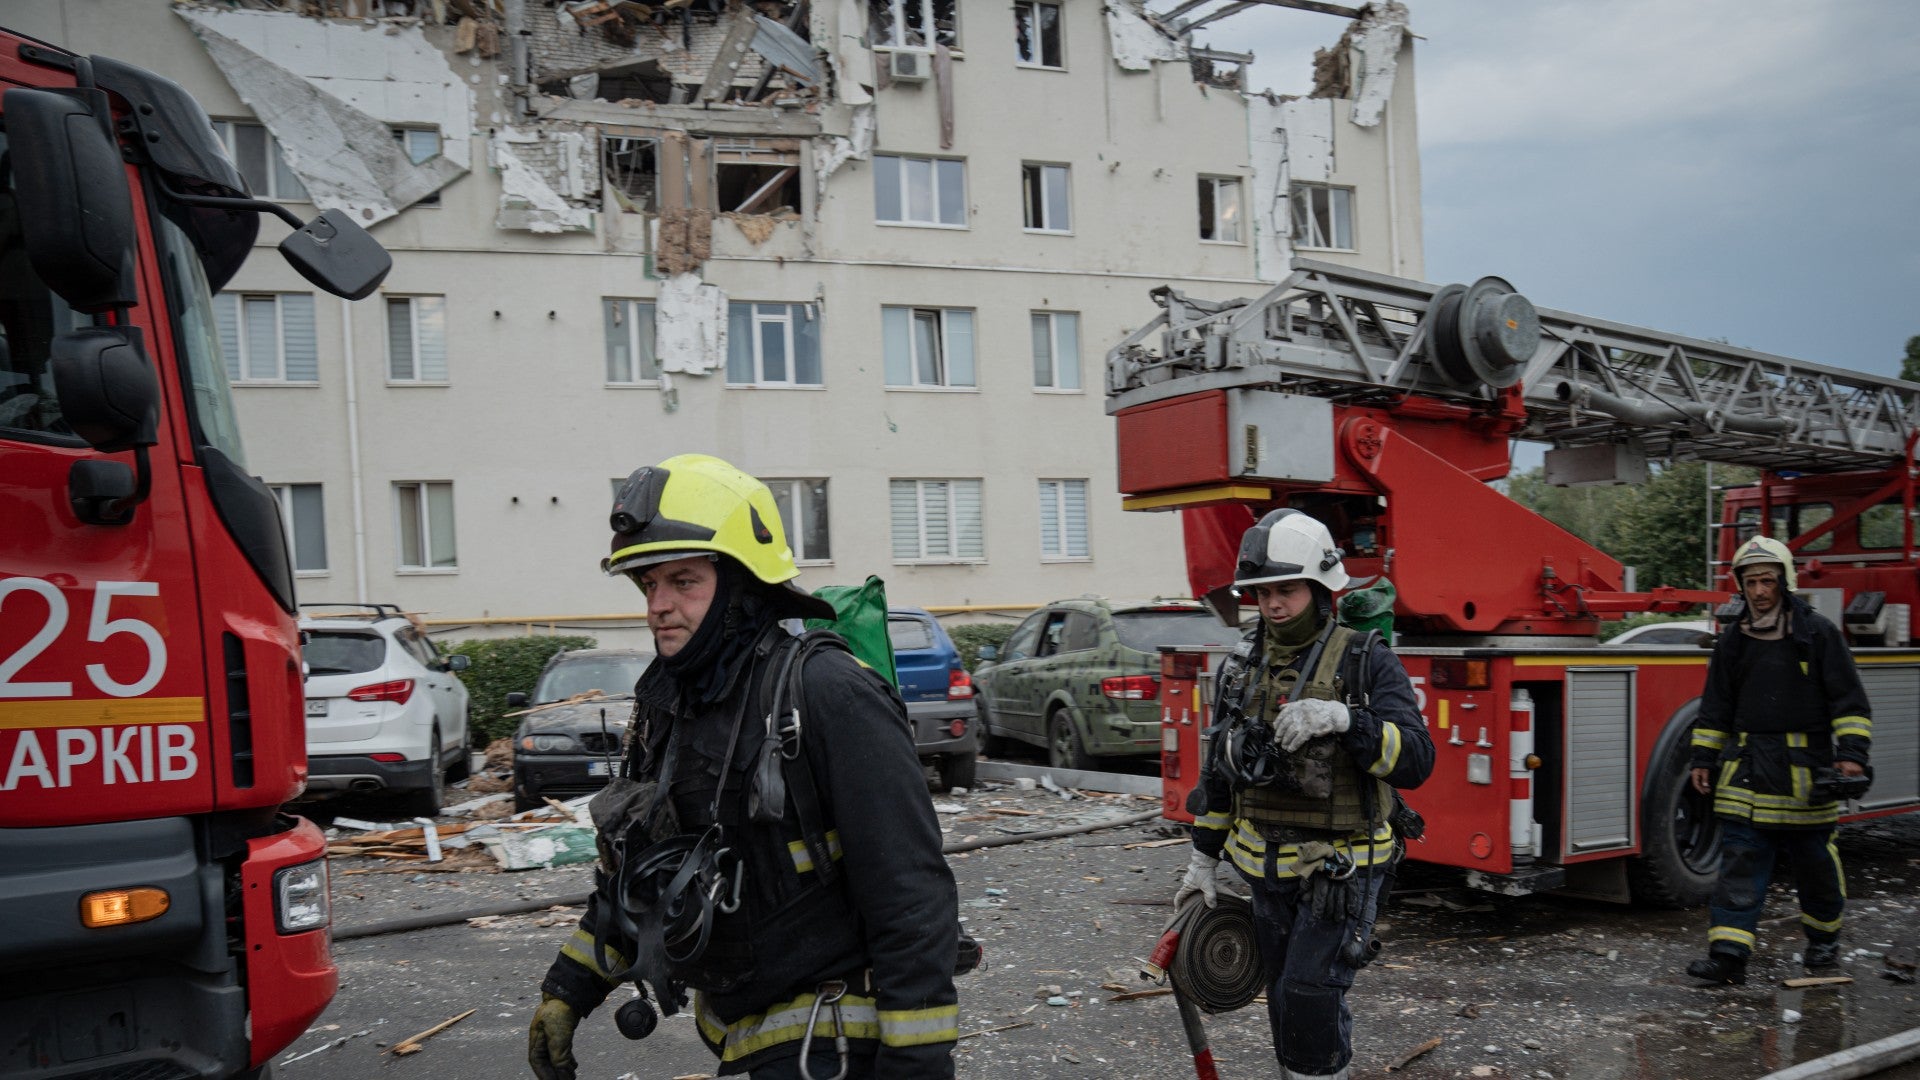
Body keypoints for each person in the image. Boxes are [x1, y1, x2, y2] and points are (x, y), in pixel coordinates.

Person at [527, 454, 959, 1079]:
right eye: (649, 585)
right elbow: (647, 867)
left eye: (683, 581)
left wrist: (917, 1063)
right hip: (749, 1040)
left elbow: (911, 892)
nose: (659, 605)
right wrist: (569, 988)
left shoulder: (829, 691)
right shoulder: (674, 703)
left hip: (835, 1044)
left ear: (743, 585)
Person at [1176, 508, 1433, 1080]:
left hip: (1340, 873)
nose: (1271, 604)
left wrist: (1347, 720)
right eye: (1262, 592)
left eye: (1285, 590)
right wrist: (1202, 856)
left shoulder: (1367, 660)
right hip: (1266, 873)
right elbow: (1222, 770)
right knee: (1285, 999)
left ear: (1321, 588)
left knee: (1310, 996)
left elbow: (1417, 760)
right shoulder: (1242, 666)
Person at [1685, 535, 1872, 985]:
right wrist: (1703, 758)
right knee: (1740, 865)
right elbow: (1716, 707)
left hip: (1804, 773)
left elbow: (1849, 702)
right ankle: (1728, 957)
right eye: (1751, 582)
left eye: (1767, 580)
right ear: (1741, 586)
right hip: (1747, 770)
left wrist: (1851, 756)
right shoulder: (1734, 640)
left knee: (1816, 867)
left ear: (1783, 582)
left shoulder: (1817, 634)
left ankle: (1824, 942)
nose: (1760, 591)